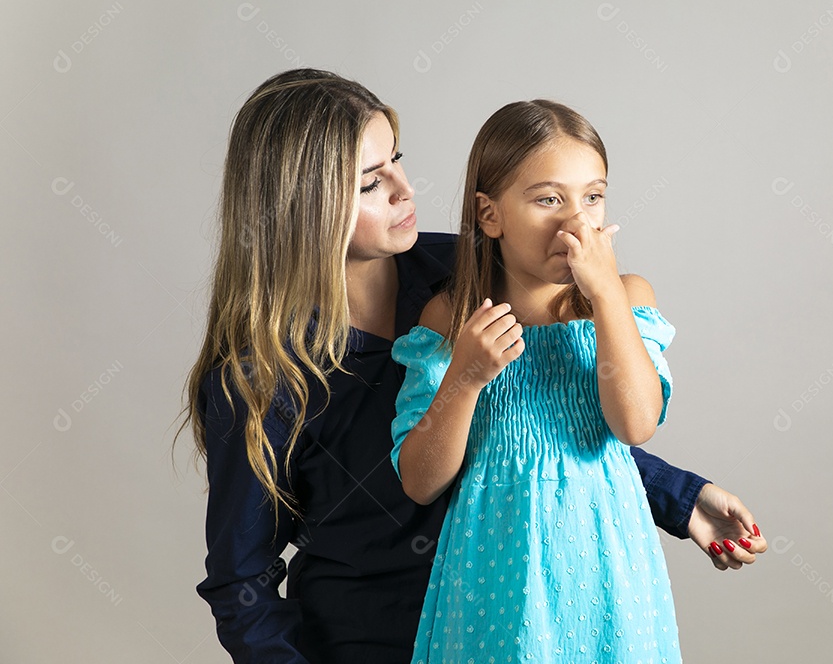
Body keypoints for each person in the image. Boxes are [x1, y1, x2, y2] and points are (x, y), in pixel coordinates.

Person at [179, 68, 766, 663]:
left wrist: (680, 496)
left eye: (397, 160)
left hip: (522, 621)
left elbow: (537, 432)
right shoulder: (260, 376)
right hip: (370, 640)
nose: (405, 190)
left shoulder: (464, 275)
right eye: (368, 184)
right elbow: (240, 579)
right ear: (298, 207)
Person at [391, 99, 686, 661]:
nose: (576, 222)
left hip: (609, 573)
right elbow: (420, 481)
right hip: (493, 577)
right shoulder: (449, 322)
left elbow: (636, 423)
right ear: (490, 215)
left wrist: (604, 297)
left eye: (593, 198)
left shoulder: (626, 300)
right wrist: (465, 378)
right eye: (549, 199)